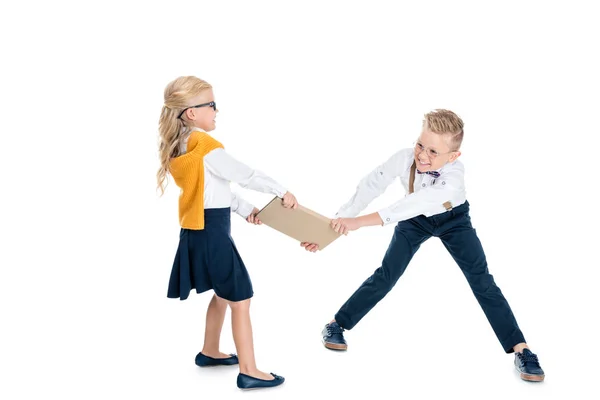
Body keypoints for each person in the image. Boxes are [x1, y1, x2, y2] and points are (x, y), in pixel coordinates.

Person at [301, 109, 545, 382]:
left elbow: (410, 204)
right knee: (387, 274)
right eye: (420, 145)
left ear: (453, 156)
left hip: (453, 219)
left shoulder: (453, 179)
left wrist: (358, 223)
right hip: (414, 221)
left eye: (433, 151)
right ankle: (337, 324)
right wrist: (337, 224)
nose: (422, 155)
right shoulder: (404, 158)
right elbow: (371, 185)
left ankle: (521, 349)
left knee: (482, 281)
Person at [158, 76, 295, 389]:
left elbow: (212, 192)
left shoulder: (183, 146)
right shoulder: (206, 147)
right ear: (192, 112)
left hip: (197, 230)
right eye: (212, 104)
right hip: (213, 233)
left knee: (222, 294)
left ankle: (210, 351)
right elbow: (244, 175)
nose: (217, 110)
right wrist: (281, 190)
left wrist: (246, 210)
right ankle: (250, 370)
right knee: (240, 298)